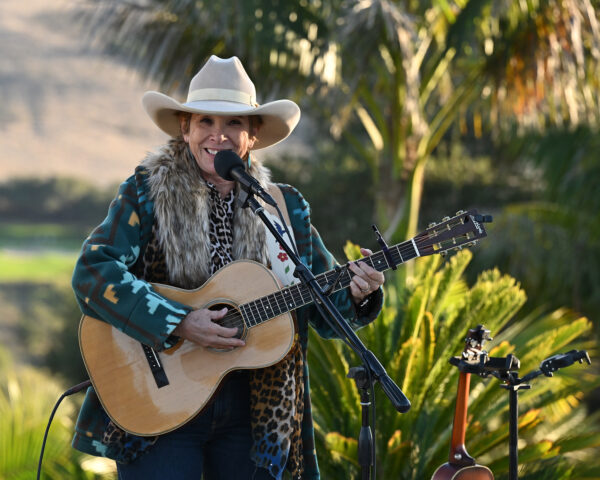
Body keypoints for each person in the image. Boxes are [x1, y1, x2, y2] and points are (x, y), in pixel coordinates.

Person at [71, 55, 385, 480]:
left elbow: (323, 310)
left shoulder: (284, 207)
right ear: (185, 129)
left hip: (255, 416)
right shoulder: (146, 192)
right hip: (162, 403)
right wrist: (179, 321)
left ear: (253, 135)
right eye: (205, 122)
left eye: (234, 124)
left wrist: (356, 293)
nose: (218, 135)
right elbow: (93, 271)